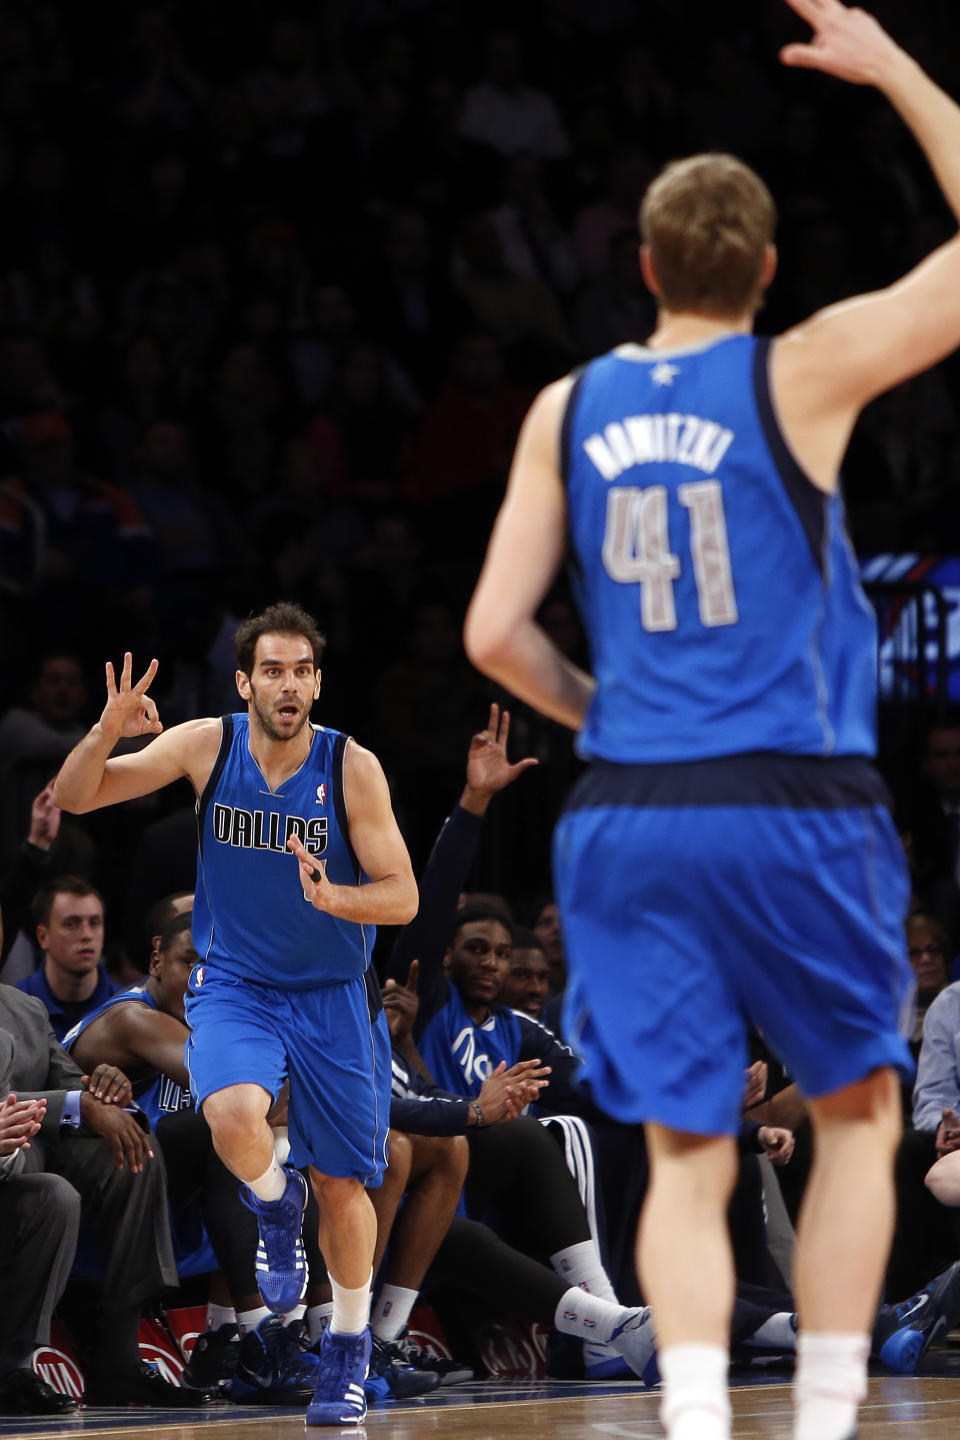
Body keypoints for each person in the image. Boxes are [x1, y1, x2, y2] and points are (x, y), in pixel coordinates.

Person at [463, 5, 960, 1438]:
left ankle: (691, 1414)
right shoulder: (796, 370)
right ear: (768, 271)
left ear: (642, 270)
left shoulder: (569, 404)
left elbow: (494, 634)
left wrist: (599, 709)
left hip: (631, 810)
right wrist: (898, 73)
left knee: (683, 1149)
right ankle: (816, 1412)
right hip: (794, 798)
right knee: (858, 1117)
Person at [52, 600, 418, 1427]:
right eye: (272, 670)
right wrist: (108, 729)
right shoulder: (205, 745)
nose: (287, 685)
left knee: (340, 1183)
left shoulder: (351, 766)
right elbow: (76, 796)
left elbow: (403, 897)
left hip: (331, 996)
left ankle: (348, 1354)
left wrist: (338, 896)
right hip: (238, 985)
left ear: (317, 684)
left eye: (301, 671)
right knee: (231, 1111)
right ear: (245, 680)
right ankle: (269, 1200)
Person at [17, 877, 116, 1042]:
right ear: (43, 937)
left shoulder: (127, 1006)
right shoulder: (14, 1009)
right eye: (71, 924)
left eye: (94, 923)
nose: (87, 935)